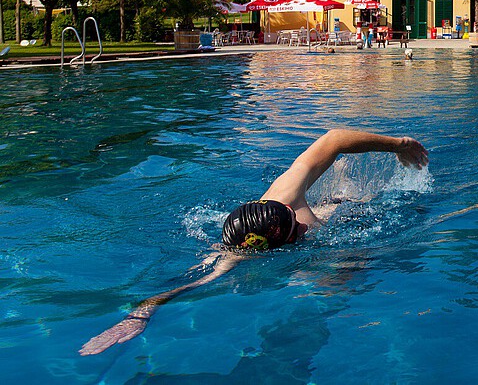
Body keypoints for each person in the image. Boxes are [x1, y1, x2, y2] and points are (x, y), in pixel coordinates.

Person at [79, 129, 429, 356]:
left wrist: (398, 145)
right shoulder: (233, 257)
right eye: (296, 232)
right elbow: (184, 285)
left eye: (296, 221)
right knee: (335, 283)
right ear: (270, 247)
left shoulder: (285, 193)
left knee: (343, 224)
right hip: (326, 235)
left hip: (343, 210)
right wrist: (138, 316)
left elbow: (334, 139)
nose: (304, 230)